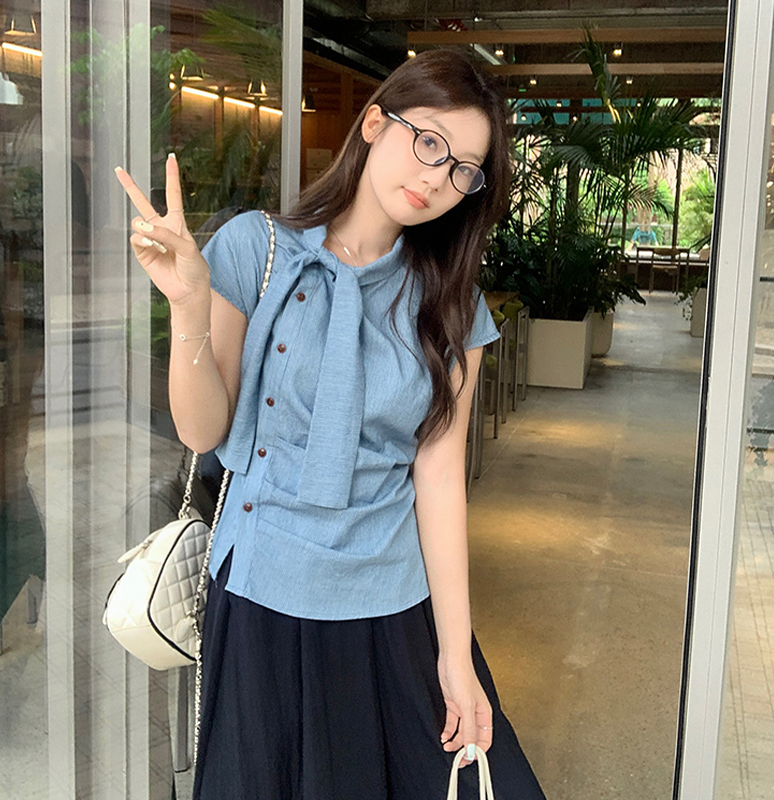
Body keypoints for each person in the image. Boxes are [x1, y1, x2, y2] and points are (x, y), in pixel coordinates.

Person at [115, 49, 547, 800]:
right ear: (374, 123)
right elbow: (202, 431)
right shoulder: (256, 248)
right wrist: (189, 306)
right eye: (429, 142)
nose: (437, 178)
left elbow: (439, 479)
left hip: (391, 603)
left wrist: (455, 654)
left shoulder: (450, 303)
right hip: (261, 597)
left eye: (463, 170)